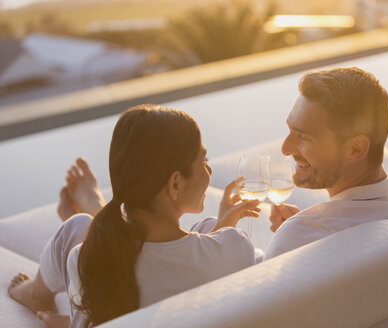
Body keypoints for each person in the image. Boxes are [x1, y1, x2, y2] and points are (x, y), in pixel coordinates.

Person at [8, 105, 261, 328]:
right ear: (174, 184)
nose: (209, 171)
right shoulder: (235, 248)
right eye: (203, 162)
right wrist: (224, 230)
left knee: (79, 225)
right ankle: (94, 206)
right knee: (206, 227)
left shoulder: (85, 259)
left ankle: (37, 292)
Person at [264, 67, 388, 259]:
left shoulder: (299, 235)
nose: (286, 149)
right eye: (290, 130)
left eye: (304, 137)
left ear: (356, 149)